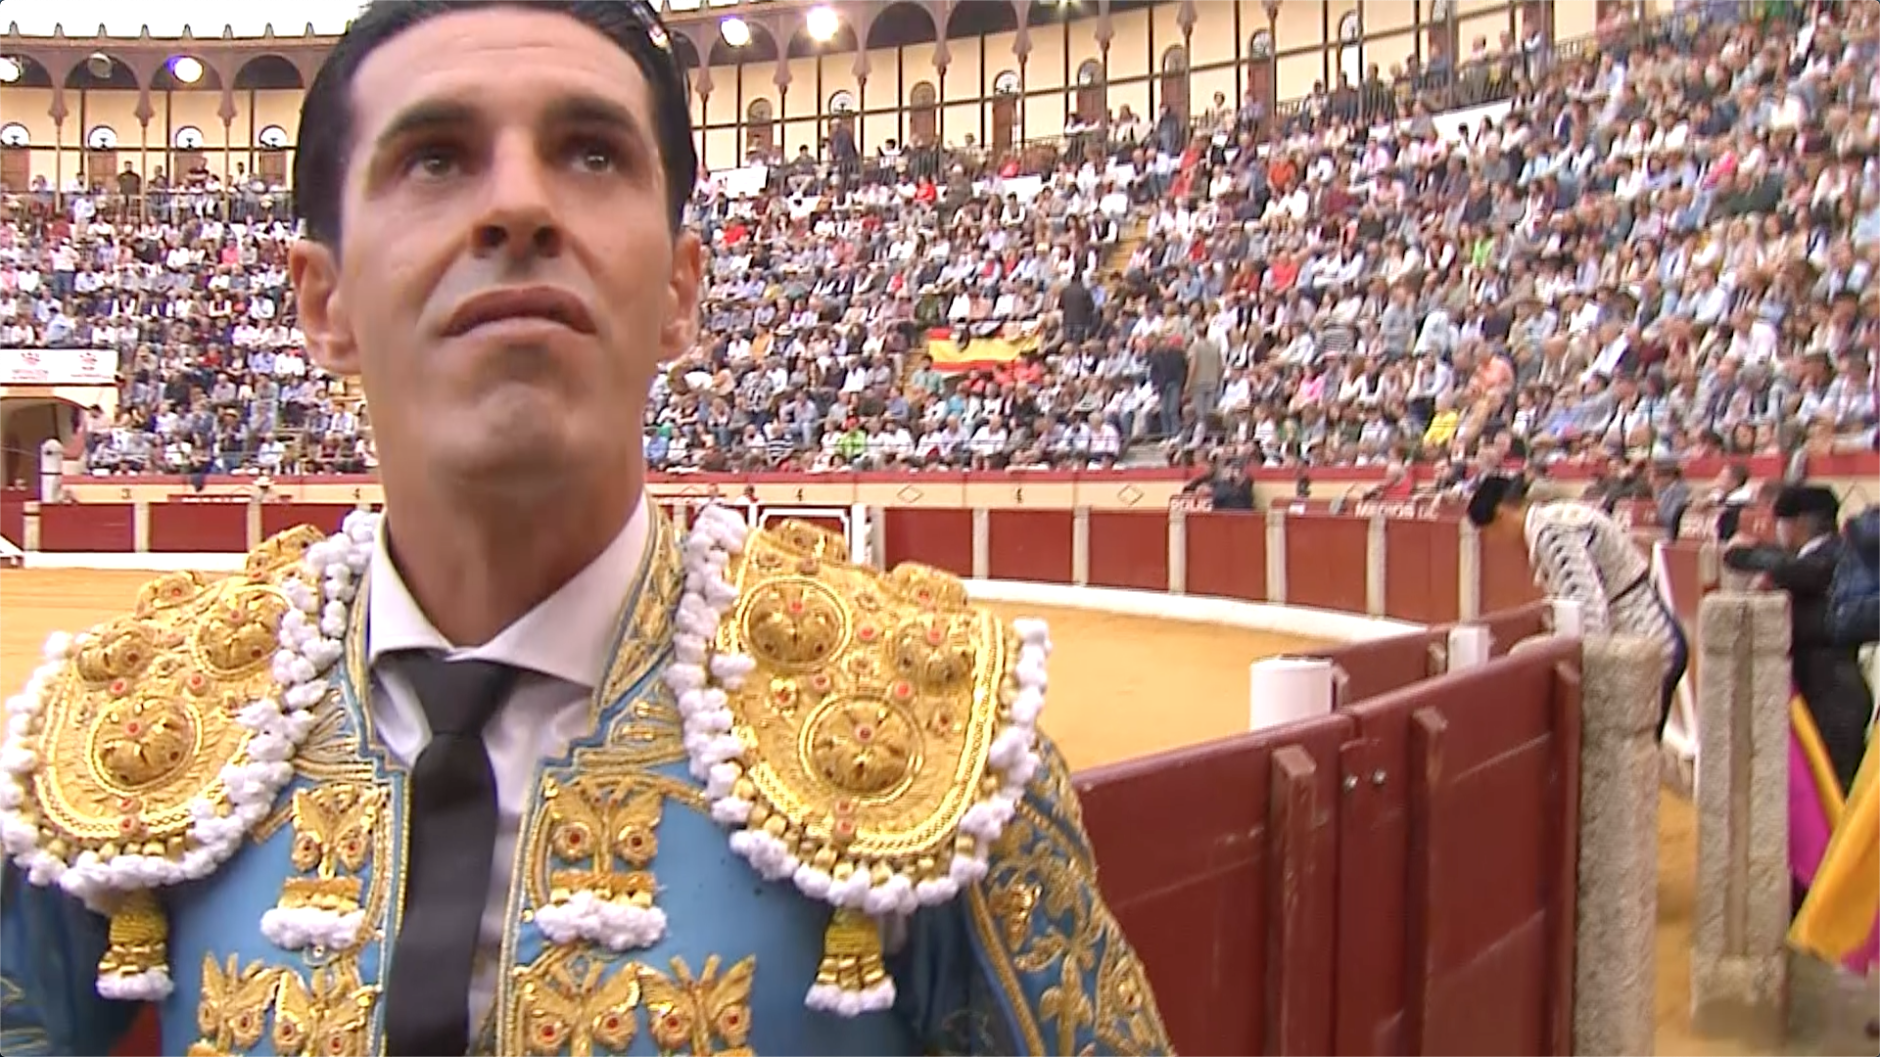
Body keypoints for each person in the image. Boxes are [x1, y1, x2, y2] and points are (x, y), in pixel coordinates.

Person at [0, 4, 1170, 1056]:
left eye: (592, 152)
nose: (516, 204)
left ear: (678, 289)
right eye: (435, 157)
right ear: (324, 303)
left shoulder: (934, 727)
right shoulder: (133, 722)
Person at [1466, 473, 1689, 737]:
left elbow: (1589, 612)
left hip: (1644, 641)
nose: (1494, 541)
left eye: (1490, 533)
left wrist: (1586, 683)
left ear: (1501, 515)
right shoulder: (1556, 517)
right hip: (1648, 634)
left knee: (1623, 750)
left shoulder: (1551, 533)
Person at [1723, 484, 1873, 795]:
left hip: (1834, 698)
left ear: (1798, 524)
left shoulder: (1833, 557)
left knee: (1835, 793)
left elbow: (1798, 570)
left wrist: (1742, 553)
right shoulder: (1823, 556)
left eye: (1781, 522)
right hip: (1824, 693)